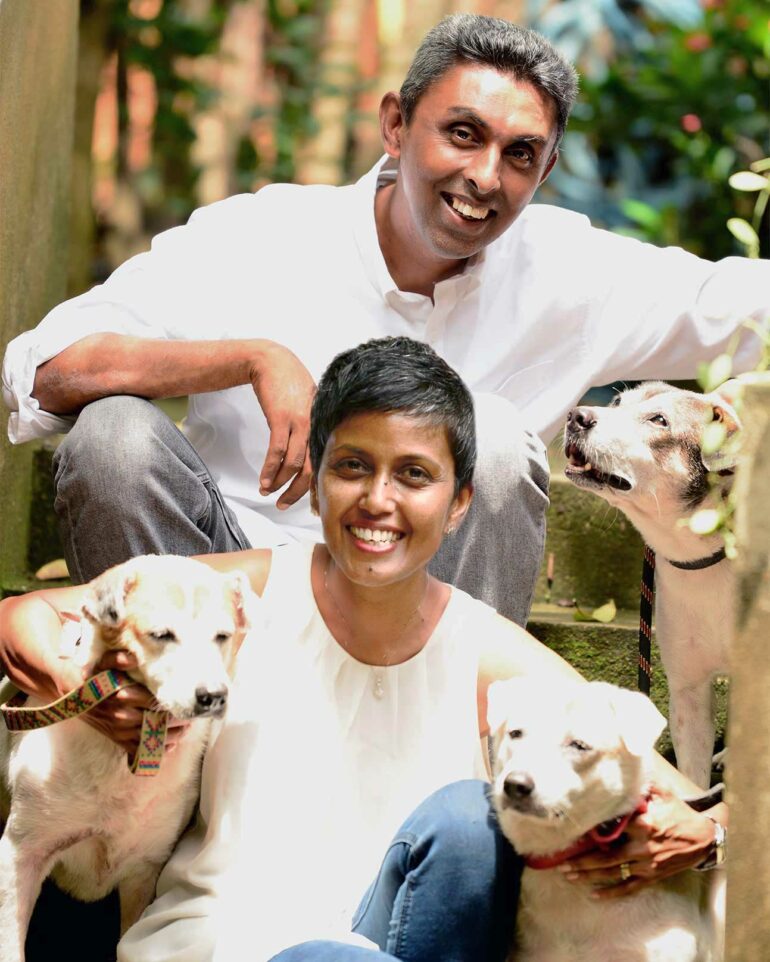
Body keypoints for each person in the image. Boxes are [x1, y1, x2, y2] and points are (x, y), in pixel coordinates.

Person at [3, 15, 767, 625]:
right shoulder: (261, 233)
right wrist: (250, 358)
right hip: (218, 602)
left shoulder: (571, 273)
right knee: (113, 438)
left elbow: (740, 305)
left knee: (494, 439)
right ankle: (161, 739)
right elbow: (44, 370)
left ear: (545, 171)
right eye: (462, 133)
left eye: (520, 154)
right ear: (398, 125)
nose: (483, 177)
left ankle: (442, 776)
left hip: (415, 627)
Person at [1, 338, 728, 962]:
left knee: (466, 824)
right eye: (353, 467)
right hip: (220, 945)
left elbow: (675, 794)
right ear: (314, 477)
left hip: (390, 942)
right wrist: (81, 687)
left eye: (413, 474)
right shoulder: (241, 598)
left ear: (461, 501)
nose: (378, 500)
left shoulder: (484, 650)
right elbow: (24, 614)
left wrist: (707, 831)